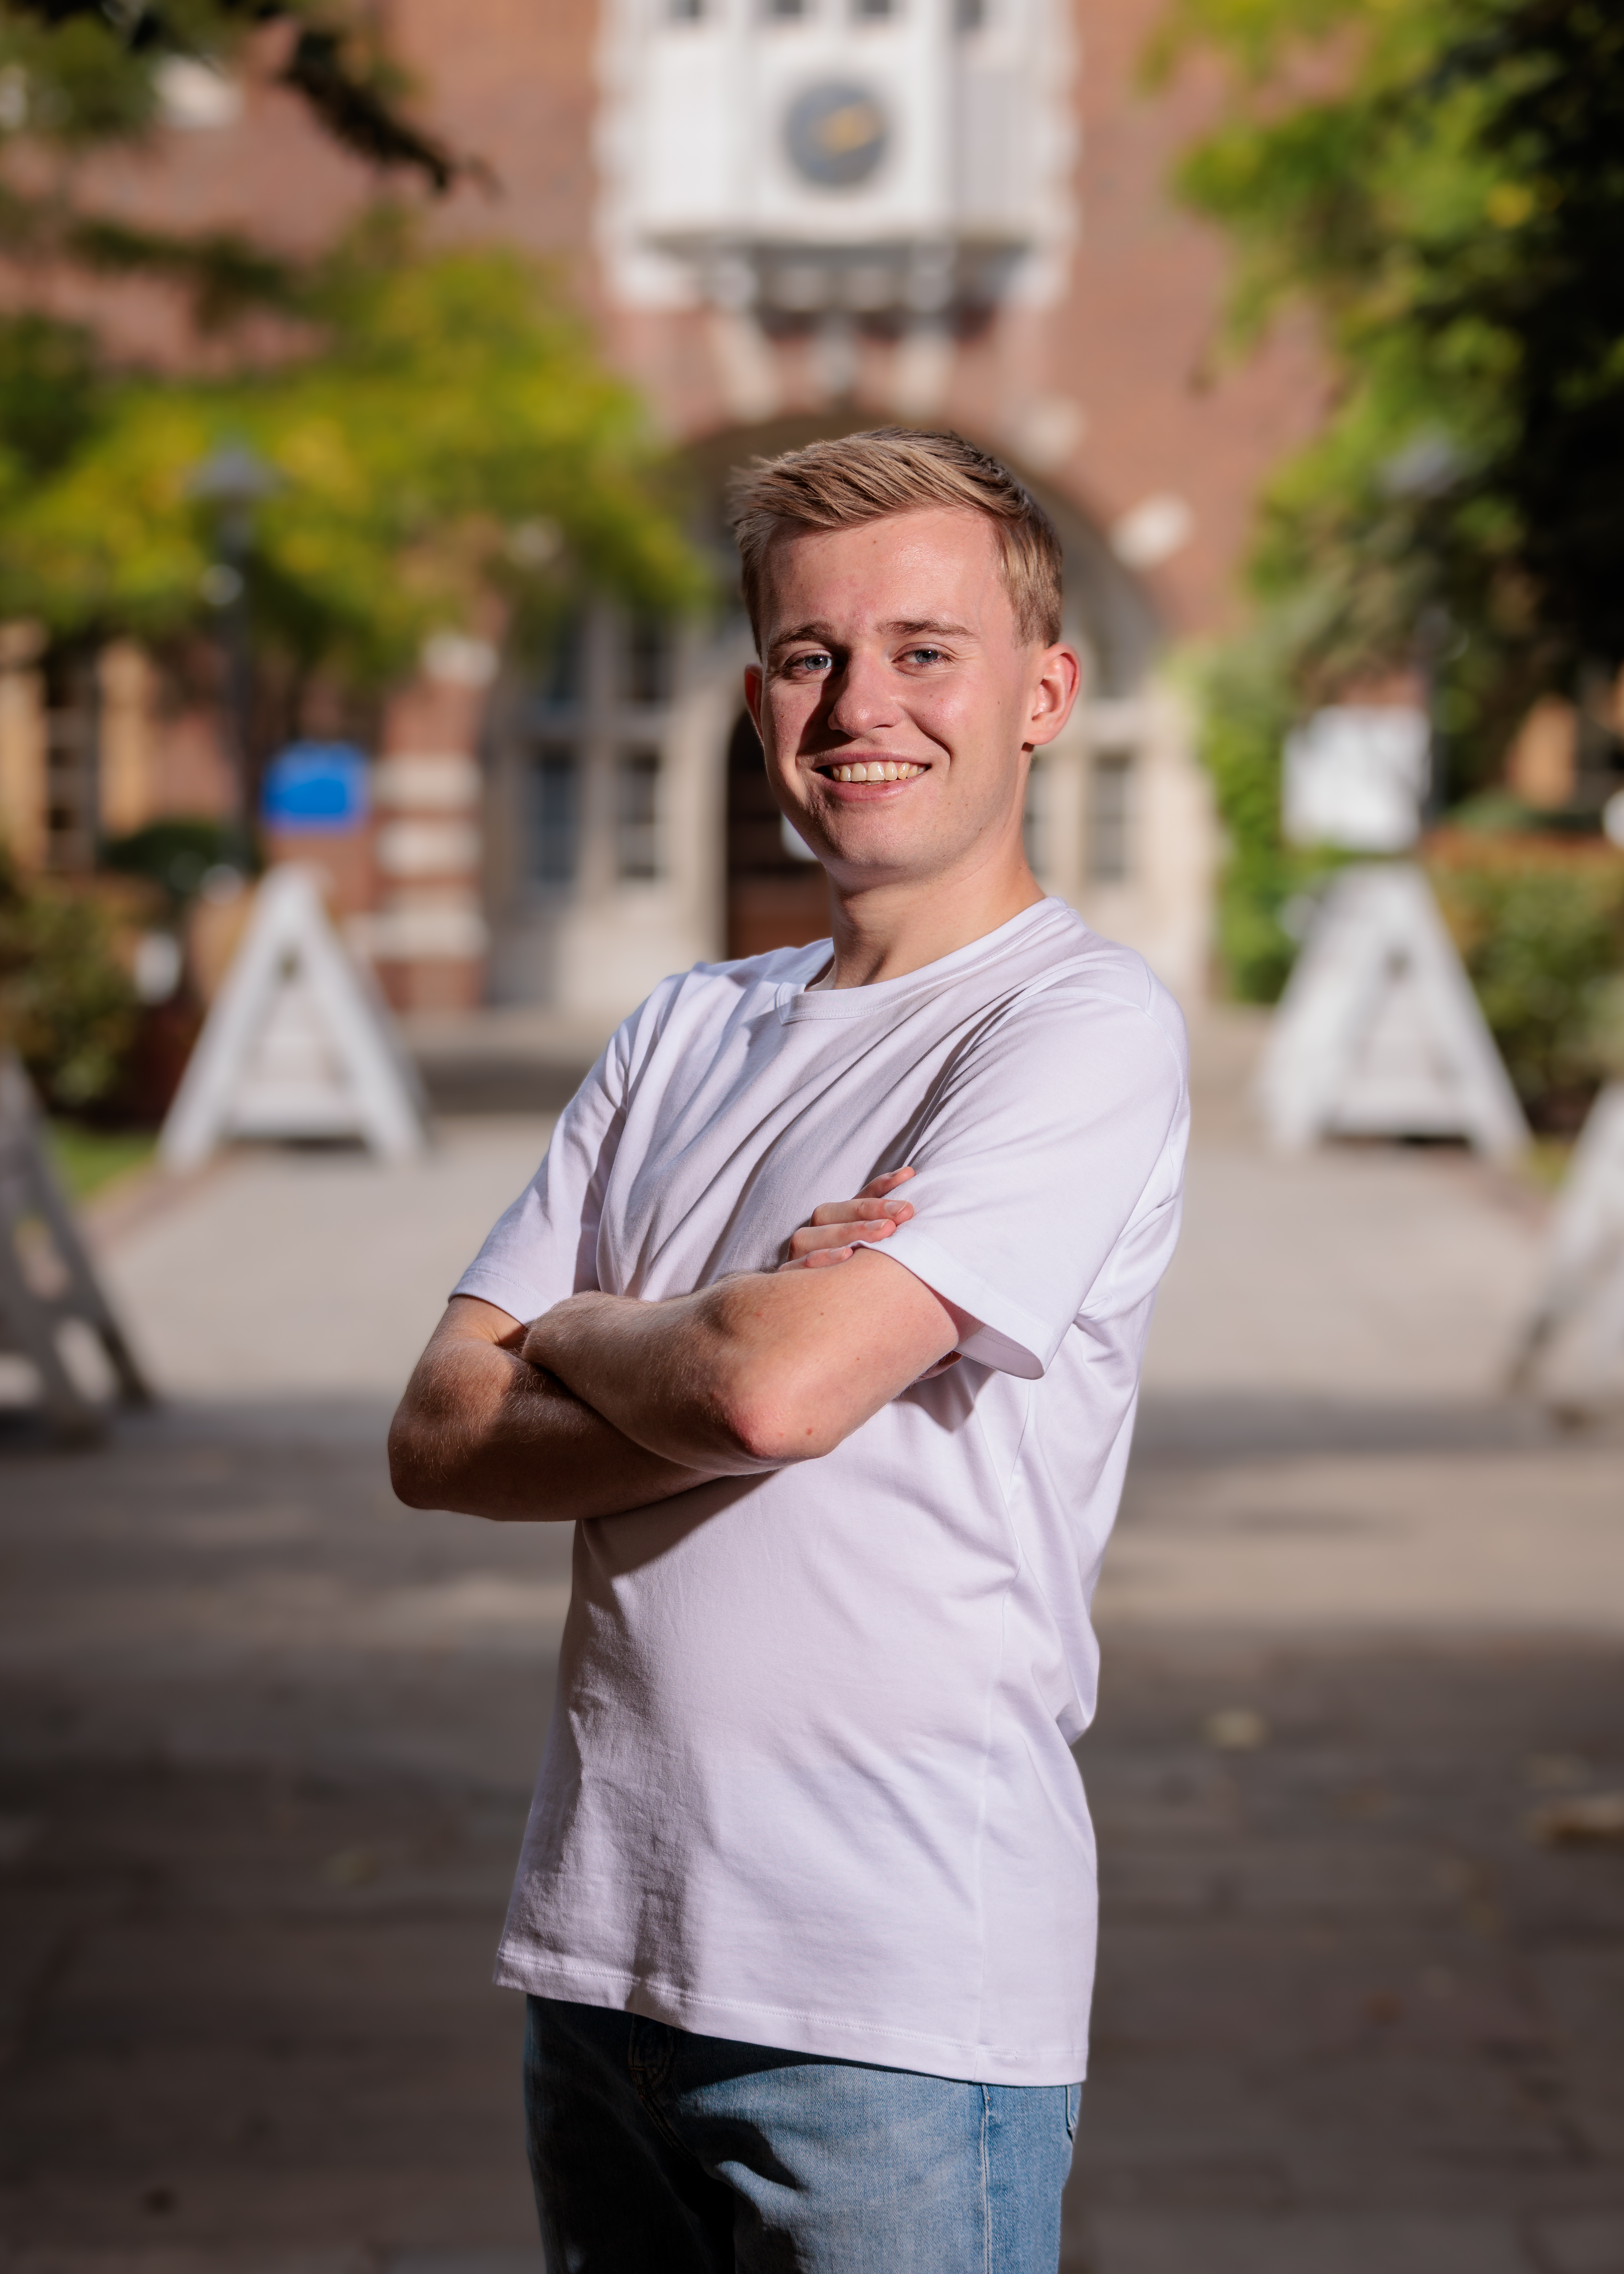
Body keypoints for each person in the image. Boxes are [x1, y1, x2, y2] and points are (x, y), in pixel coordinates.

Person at [389, 428, 1189, 2273]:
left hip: (892, 1997)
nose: (860, 707)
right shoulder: (682, 1028)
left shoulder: (1073, 1027)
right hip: (605, 1956)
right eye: (812, 657)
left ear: (1044, 695)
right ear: (760, 707)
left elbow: (773, 1389)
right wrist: (722, 1330)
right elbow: (436, 1434)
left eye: (926, 652)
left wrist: (579, 1328)